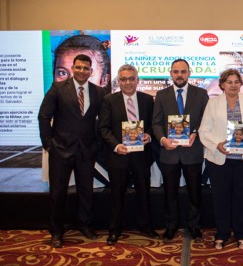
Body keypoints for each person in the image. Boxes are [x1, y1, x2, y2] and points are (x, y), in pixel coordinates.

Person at [38, 54, 106, 248]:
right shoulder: (58, 88)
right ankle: (56, 231)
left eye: (86, 68)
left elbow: (103, 121)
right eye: (79, 67)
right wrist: (48, 144)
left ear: (91, 71)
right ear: (73, 68)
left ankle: (85, 225)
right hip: (60, 150)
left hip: (87, 151)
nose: (82, 71)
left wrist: (98, 144)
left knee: (86, 191)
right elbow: (44, 116)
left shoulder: (99, 92)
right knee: (57, 193)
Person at [198, 69, 243, 250]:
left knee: (242, 198)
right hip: (219, 158)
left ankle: (241, 234)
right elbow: (203, 130)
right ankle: (222, 233)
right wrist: (216, 144)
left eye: (237, 81)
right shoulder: (213, 103)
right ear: (222, 84)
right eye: (229, 82)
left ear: (241, 84)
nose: (233, 85)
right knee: (221, 198)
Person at [98, 64, 158, 245]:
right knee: (116, 195)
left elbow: (153, 125)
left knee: (144, 194)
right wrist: (116, 146)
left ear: (137, 80)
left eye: (131, 78)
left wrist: (148, 135)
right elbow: (104, 128)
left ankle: (145, 226)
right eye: (124, 79)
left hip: (141, 156)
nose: (128, 82)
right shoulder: (109, 100)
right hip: (119, 156)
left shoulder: (148, 100)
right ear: (119, 81)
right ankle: (114, 230)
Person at [152, 58, 209, 241]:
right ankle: (171, 226)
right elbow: (156, 122)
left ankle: (194, 225)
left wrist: (195, 133)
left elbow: (205, 120)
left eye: (183, 71)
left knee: (194, 192)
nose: (179, 75)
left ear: (189, 73)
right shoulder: (161, 95)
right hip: (169, 152)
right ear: (171, 73)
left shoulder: (201, 94)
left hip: (192, 151)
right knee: (170, 193)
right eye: (176, 72)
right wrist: (162, 139)